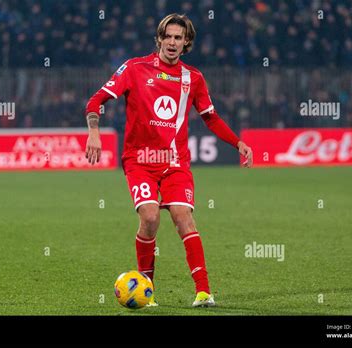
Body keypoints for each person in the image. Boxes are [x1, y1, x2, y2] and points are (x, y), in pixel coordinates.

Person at [85, 13, 253, 307]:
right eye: (168, 36)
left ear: (187, 42)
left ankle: (203, 292)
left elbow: (210, 118)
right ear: (159, 39)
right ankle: (147, 289)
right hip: (140, 160)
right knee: (149, 218)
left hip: (175, 163)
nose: (172, 42)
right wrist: (94, 132)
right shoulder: (134, 68)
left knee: (182, 217)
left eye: (179, 38)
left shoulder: (194, 78)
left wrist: (237, 143)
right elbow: (96, 99)